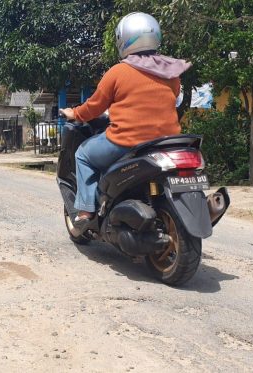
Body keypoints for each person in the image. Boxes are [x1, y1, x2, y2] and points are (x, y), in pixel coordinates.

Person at [59, 12, 191, 233]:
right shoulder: (171, 71)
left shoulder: (118, 71)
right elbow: (173, 98)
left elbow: (94, 107)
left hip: (127, 142)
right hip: (167, 142)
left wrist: (75, 114)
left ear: (124, 39)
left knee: (83, 154)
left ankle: (85, 210)